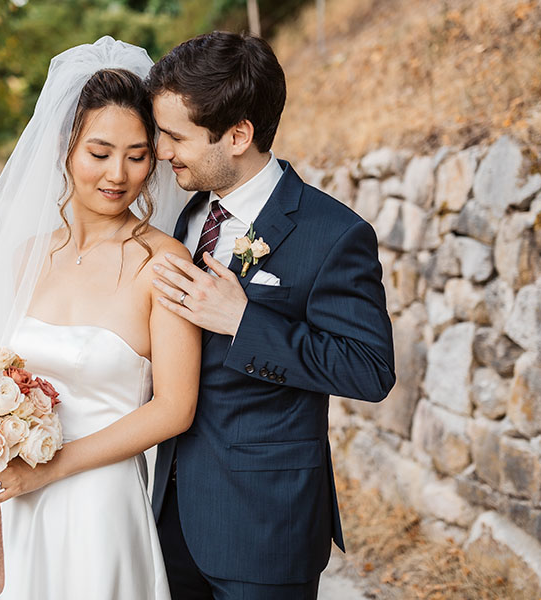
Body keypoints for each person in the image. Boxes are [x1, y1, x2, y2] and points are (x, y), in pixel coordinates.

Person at [0, 37, 198, 600]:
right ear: (66, 149)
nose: (118, 173)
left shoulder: (164, 262)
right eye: (99, 152)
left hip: (99, 508)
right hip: (15, 498)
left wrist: (48, 469)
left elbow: (174, 408)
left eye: (137, 154)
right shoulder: (25, 257)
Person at [147, 32, 396, 600]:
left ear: (237, 136)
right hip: (167, 515)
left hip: (264, 526)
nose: (162, 152)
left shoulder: (333, 234)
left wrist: (243, 322)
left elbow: (370, 369)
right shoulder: (184, 217)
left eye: (175, 136)